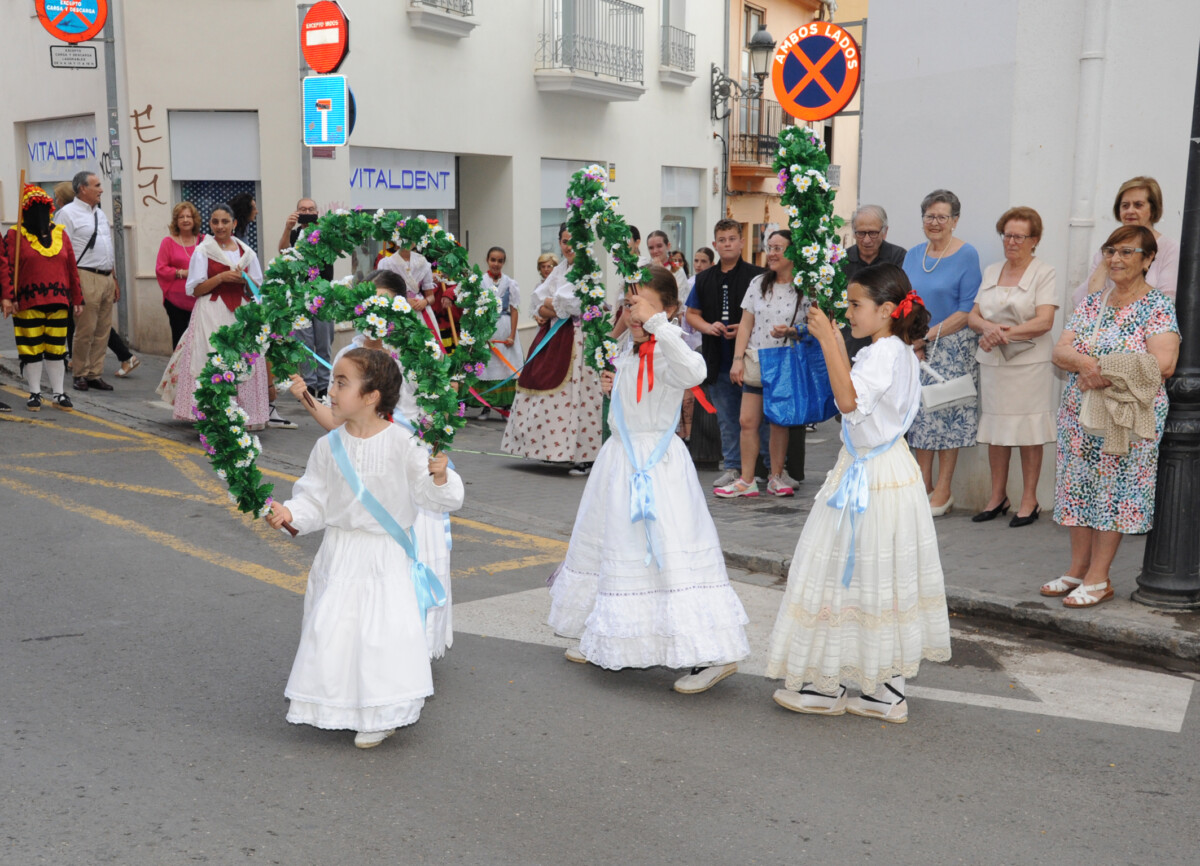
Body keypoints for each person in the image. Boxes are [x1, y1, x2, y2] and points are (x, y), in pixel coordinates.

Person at [548, 266, 750, 693]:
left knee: (670, 552)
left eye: (641, 304)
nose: (632, 312)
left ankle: (711, 652)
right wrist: (612, 385)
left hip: (655, 467)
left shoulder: (669, 346)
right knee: (614, 545)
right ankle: (606, 631)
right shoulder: (629, 345)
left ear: (668, 310)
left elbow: (694, 372)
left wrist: (660, 325)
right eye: (628, 303)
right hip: (618, 463)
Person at [766, 263, 950, 723]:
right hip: (887, 469)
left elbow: (847, 401)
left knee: (842, 571)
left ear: (887, 310)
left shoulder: (883, 352)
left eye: (854, 305)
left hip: (872, 475)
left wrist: (829, 340)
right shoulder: (898, 350)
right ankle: (882, 690)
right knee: (877, 576)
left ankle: (830, 687)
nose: (848, 313)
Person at [267, 348, 464, 748]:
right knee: (334, 630)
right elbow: (316, 499)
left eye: (342, 383)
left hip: (384, 555)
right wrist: (290, 512)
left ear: (372, 396)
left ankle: (382, 711)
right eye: (334, 382)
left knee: (380, 636)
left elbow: (432, 499)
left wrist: (440, 478)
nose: (332, 391)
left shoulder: (405, 444)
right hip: (340, 553)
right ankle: (336, 704)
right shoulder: (327, 447)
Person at [287, 270, 456, 659]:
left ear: (401, 304)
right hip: (362, 469)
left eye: (383, 301)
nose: (373, 310)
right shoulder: (351, 355)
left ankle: (409, 653)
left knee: (411, 561)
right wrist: (306, 398)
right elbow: (339, 421)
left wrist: (428, 461)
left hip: (405, 467)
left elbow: (439, 419)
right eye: (368, 301)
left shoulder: (419, 350)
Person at [1044, 225, 1179, 608]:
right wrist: (1086, 363)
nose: (1116, 259)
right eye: (1110, 251)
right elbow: (1060, 351)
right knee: (1079, 487)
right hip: (1080, 413)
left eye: (1127, 252)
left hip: (1126, 418)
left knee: (1114, 493)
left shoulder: (1157, 307)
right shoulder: (1092, 303)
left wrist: (1099, 367)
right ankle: (1077, 570)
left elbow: (1164, 363)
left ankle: (1099, 578)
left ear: (1148, 259)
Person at [966, 207, 1059, 527]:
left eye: (1019, 236)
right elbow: (973, 316)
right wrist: (986, 329)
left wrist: (1000, 333)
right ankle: (997, 496)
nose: (1011, 242)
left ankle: (1029, 500)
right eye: (1007, 235)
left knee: (1029, 430)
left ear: (1034, 240)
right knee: (996, 429)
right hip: (994, 362)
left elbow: (1044, 321)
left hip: (1029, 363)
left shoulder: (1043, 272)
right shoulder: (992, 271)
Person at [902, 189, 983, 516]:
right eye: (929, 216)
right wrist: (911, 338)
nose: (935, 223)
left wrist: (927, 336)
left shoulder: (967, 255)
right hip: (915, 346)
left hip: (952, 346)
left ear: (955, 221)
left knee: (946, 414)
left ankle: (944, 490)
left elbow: (967, 310)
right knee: (920, 418)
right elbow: (904, 299)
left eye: (942, 217)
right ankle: (922, 484)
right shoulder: (913, 254)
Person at [502, 224, 604, 474]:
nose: (569, 247)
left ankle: (584, 454)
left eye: (573, 241)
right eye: (564, 241)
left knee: (578, 394)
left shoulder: (588, 269)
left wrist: (553, 306)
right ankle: (552, 450)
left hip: (578, 338)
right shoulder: (560, 270)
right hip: (554, 335)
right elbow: (539, 302)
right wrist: (553, 306)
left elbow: (575, 305)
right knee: (542, 384)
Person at [159, 203, 270, 429]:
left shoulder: (246, 253)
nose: (220, 227)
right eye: (215, 222)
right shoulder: (203, 251)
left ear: (234, 224)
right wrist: (220, 279)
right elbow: (195, 289)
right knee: (212, 357)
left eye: (225, 222)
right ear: (209, 224)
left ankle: (242, 414)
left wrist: (244, 282)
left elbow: (257, 290)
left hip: (240, 313)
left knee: (241, 359)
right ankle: (213, 415)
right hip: (212, 311)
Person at [684, 219, 772, 489]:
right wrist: (709, 327)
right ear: (715, 245)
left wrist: (744, 330)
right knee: (727, 417)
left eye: (732, 239)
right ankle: (733, 467)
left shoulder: (759, 276)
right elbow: (690, 314)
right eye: (722, 240)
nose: (727, 244)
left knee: (761, 418)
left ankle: (768, 469)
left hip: (753, 359)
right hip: (718, 358)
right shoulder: (703, 278)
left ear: (742, 242)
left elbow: (766, 314)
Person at [721, 229, 806, 498]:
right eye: (769, 247)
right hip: (757, 359)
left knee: (779, 422)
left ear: (792, 252)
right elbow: (746, 324)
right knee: (747, 420)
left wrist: (793, 332)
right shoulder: (758, 283)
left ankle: (776, 476)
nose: (771, 253)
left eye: (778, 248)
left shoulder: (805, 286)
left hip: (784, 362)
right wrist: (737, 360)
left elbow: (814, 326)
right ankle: (747, 480)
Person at [2, 184, 84, 410]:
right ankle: (34, 392)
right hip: (27, 302)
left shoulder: (60, 234)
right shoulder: (15, 235)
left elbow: (71, 270)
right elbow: (7, 268)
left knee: (57, 349)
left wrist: (77, 298)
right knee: (31, 349)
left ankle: (59, 393)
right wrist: (9, 297)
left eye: (43, 207)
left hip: (58, 302)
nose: (39, 213)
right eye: (33, 208)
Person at [54, 171, 118, 392]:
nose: (101, 189)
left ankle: (94, 373)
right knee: (85, 329)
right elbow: (61, 251)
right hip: (84, 275)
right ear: (83, 188)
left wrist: (114, 279)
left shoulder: (100, 213)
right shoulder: (66, 214)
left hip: (106, 276)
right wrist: (70, 285)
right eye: (97, 185)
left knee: (103, 329)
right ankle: (80, 372)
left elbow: (108, 247)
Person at [1071, 176, 1179, 305]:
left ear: (1153, 209)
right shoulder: (1108, 248)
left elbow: (1168, 301)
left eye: (1138, 205)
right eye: (1125, 205)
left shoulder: (1169, 248)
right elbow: (1081, 300)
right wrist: (1108, 256)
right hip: (1106, 320)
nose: (1130, 211)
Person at [279, 198, 336, 400]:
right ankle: (310, 385)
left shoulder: (326, 233)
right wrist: (288, 228)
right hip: (299, 295)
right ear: (296, 212)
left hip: (322, 294)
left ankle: (324, 385)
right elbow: (283, 251)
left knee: (323, 342)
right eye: (303, 209)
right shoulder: (294, 234)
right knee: (304, 342)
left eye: (311, 209)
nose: (307, 212)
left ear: (317, 212)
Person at [841, 205, 908, 360]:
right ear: (853, 232)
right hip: (851, 341)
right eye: (860, 233)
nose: (866, 240)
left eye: (872, 233)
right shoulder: (841, 261)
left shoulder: (899, 257)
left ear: (885, 232)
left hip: (888, 342)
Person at [470, 246, 523, 418]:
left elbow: (514, 309)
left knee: (505, 368)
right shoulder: (480, 282)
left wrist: (512, 335)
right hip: (486, 329)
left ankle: (505, 406)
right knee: (487, 368)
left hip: (505, 329)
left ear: (504, 262)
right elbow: (475, 308)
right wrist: (480, 333)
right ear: (487, 260)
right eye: (493, 260)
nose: (496, 264)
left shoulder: (510, 283)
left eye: (500, 261)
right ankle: (487, 406)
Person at [156, 202, 202, 350]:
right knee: (180, 341)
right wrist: (181, 273)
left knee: (200, 341)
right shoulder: (168, 242)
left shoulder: (204, 241)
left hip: (200, 300)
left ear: (194, 220)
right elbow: (160, 269)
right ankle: (177, 372)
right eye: (181, 217)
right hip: (176, 302)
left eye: (189, 216)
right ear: (176, 221)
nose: (185, 220)